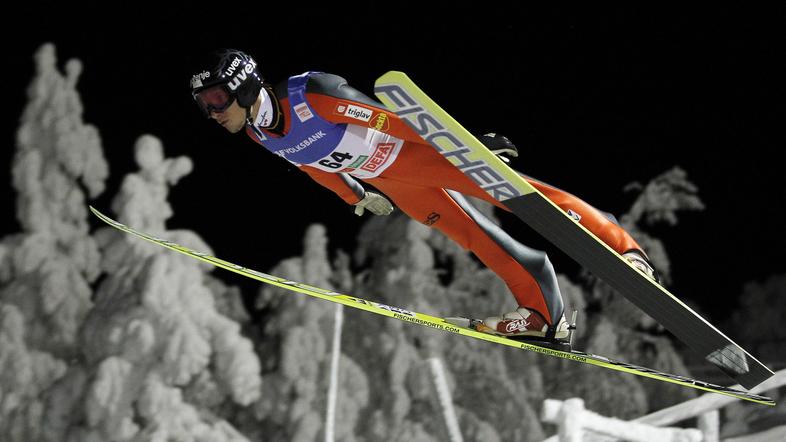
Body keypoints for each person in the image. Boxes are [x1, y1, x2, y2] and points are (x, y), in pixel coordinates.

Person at [188, 49, 658, 345]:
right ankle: (541, 313)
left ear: (245, 86)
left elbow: (390, 119)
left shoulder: (312, 93)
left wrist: (466, 143)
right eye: (203, 106)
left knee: (524, 197)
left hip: (416, 155)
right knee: (473, 236)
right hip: (394, 184)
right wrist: (353, 195)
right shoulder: (259, 135)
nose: (211, 113)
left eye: (214, 101)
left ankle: (623, 248)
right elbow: (310, 165)